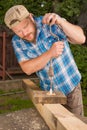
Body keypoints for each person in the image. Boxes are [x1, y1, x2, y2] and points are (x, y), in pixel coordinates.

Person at [4, 5, 86, 116]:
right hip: (49, 92)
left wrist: (61, 21)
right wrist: (50, 54)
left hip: (71, 87)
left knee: (76, 125)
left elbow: (81, 38)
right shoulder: (17, 42)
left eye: (26, 26)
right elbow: (27, 69)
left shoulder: (50, 23)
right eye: (18, 31)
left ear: (31, 17)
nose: (24, 33)